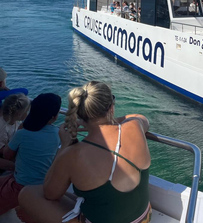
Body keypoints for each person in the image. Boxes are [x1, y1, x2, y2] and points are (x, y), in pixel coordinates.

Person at [19, 81, 152, 223]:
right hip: (143, 218)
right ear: (111, 108)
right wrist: (106, 122)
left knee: (28, 194)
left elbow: (50, 194)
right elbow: (142, 119)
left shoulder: (73, 154)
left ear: (80, 114)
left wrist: (65, 145)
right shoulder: (134, 125)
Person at [0, 93, 61, 215]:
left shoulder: (22, 134)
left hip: (21, 185)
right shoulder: (58, 133)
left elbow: (7, 155)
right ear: (54, 117)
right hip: (44, 184)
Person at [0, 93, 30, 172]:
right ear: (19, 114)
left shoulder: (15, 121)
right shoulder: (2, 127)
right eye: (26, 111)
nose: (27, 114)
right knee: (22, 166)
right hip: (3, 155)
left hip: (9, 150)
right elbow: (3, 152)